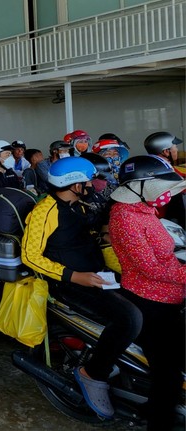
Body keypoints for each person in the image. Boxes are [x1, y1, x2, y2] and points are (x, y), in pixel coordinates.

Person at [22, 157, 142, 420]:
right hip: (69, 285)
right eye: (87, 181)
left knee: (151, 303)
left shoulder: (81, 205)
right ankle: (93, 373)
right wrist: (74, 276)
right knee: (129, 318)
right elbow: (30, 256)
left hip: (99, 276)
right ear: (74, 184)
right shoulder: (45, 210)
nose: (92, 185)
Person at [109, 155, 186, 431]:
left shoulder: (144, 209)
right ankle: (158, 422)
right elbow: (150, 268)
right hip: (150, 302)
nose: (165, 193)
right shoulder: (125, 218)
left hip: (169, 296)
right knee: (168, 371)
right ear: (139, 186)